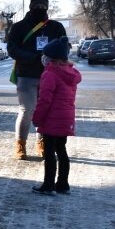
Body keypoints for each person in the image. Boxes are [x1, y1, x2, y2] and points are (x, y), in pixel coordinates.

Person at [7, 0, 67, 160]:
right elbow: (12, 49)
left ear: (47, 7)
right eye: (37, 6)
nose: (40, 9)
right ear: (31, 7)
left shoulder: (55, 27)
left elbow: (65, 47)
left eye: (43, 6)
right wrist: (32, 57)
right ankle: (20, 144)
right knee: (27, 110)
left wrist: (55, 57)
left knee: (46, 111)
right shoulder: (19, 27)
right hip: (26, 75)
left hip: (50, 76)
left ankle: (42, 142)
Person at [31, 36, 81, 195]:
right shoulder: (70, 73)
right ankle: (63, 184)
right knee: (62, 150)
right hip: (66, 118)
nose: (43, 58)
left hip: (51, 120)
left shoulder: (50, 74)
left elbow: (44, 100)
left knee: (49, 152)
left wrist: (37, 118)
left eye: (45, 56)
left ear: (50, 58)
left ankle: (48, 185)